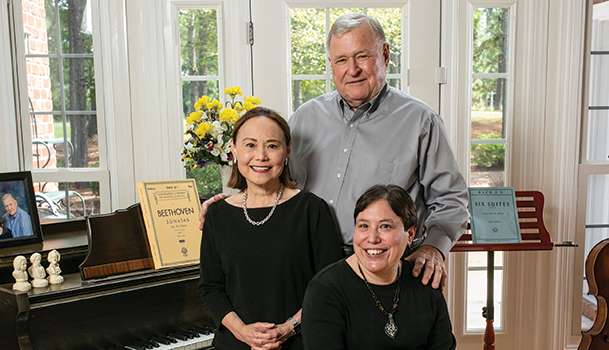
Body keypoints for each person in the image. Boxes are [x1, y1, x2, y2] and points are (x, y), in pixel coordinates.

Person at [201, 13, 469, 290]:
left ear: (385, 54)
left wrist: (433, 248)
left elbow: (451, 199)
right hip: (306, 266)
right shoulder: (304, 119)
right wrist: (233, 202)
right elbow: (274, 182)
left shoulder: (420, 121)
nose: (351, 69)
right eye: (341, 60)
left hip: (383, 266)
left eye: (362, 56)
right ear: (331, 64)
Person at [197, 107, 343, 350]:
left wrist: (287, 329)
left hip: (299, 343)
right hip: (234, 344)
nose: (261, 156)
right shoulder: (218, 214)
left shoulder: (312, 210)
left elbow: (330, 288)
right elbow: (210, 287)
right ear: (233, 149)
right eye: (250, 145)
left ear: (287, 150)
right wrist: (243, 332)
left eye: (272, 146)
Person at [301, 184, 456, 349]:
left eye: (385, 226)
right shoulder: (325, 290)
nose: (372, 238)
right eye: (364, 226)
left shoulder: (425, 283)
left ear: (410, 234)